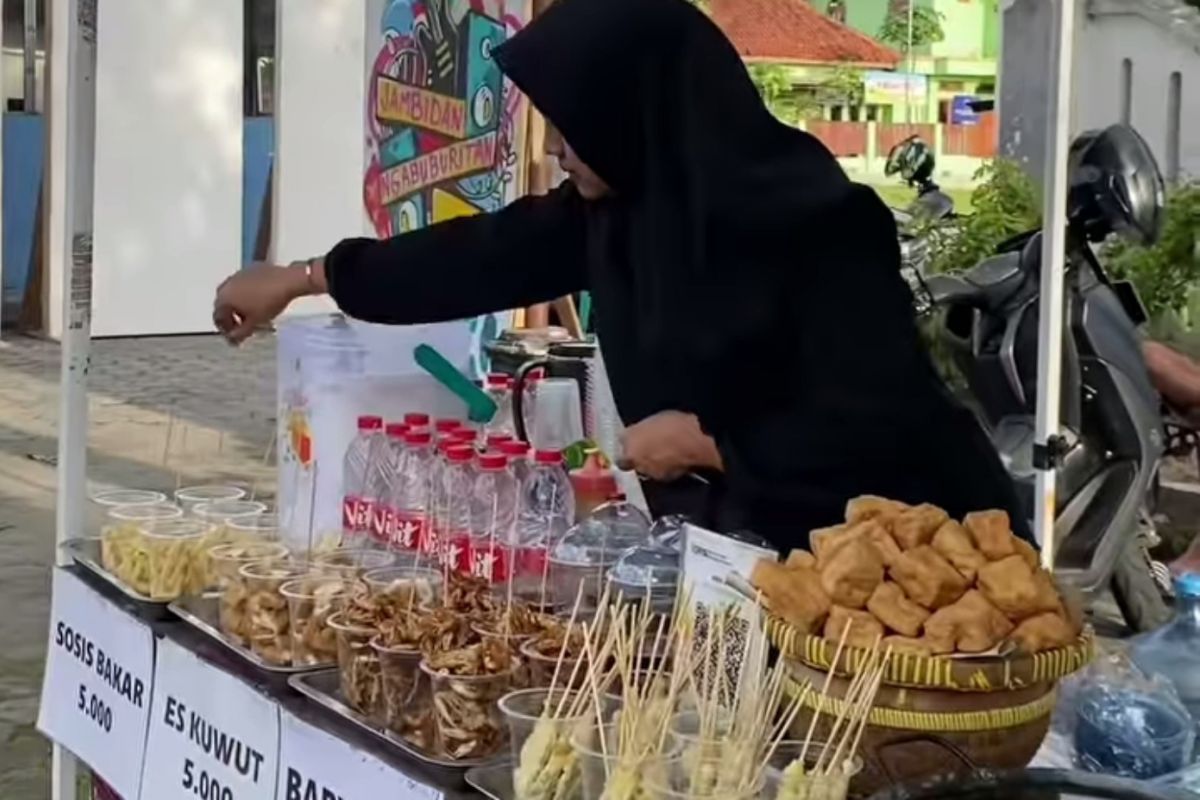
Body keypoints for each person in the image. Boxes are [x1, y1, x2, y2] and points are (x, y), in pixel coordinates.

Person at [213, 0, 1030, 548]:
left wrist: (711, 444)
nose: (560, 147)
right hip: (746, 553)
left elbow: (876, 423)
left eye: (575, 125)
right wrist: (301, 277)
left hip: (916, 556)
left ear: (638, 109)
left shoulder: (820, 226)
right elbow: (473, 259)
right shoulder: (618, 210)